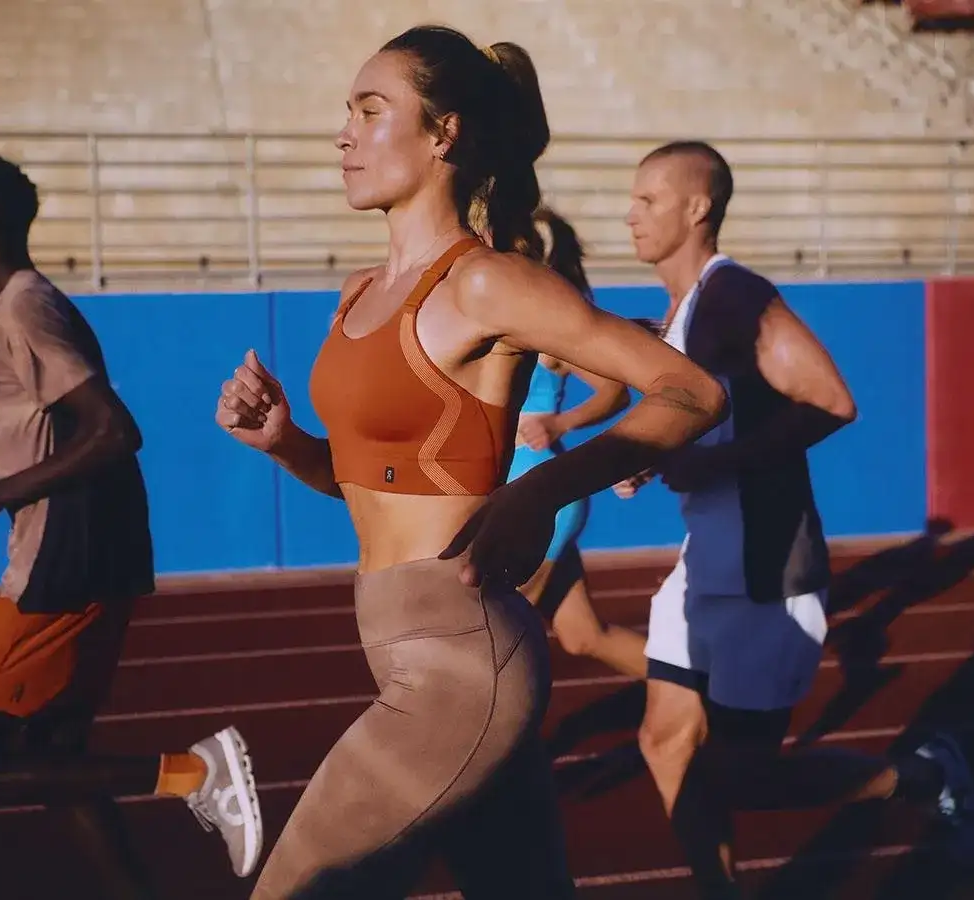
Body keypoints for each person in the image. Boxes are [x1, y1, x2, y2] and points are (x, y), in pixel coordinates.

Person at [214, 25, 728, 899]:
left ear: (443, 134)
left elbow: (692, 393)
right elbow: (373, 482)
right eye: (347, 112)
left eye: (371, 112)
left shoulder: (486, 283)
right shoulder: (359, 295)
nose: (345, 133)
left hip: (458, 662)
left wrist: (540, 494)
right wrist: (287, 444)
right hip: (414, 642)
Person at [616, 141, 974, 898]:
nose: (630, 214)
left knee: (743, 777)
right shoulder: (685, 311)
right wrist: (661, 457)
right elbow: (713, 426)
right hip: (709, 560)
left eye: (648, 200)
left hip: (765, 567)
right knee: (664, 742)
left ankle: (924, 774)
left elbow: (830, 398)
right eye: (632, 199)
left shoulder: (733, 294)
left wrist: (709, 465)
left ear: (698, 209)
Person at [0, 154, 263, 898]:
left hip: (57, 569)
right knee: (58, 758)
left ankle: (194, 773)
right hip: (87, 556)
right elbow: (62, 437)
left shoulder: (24, 308)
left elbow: (112, 431)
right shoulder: (28, 305)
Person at [507, 206, 647, 680]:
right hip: (522, 491)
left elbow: (615, 390)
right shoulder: (505, 321)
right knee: (583, 635)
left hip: (542, 492)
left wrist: (559, 423)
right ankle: (697, 690)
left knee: (498, 629)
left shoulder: (550, 333)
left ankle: (508, 752)